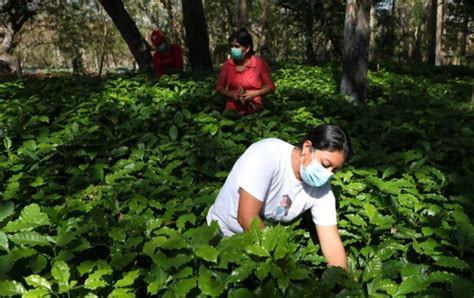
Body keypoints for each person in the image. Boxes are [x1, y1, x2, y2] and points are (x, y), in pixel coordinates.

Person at [206, 124, 352, 270]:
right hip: (220, 238)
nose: (328, 173)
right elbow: (247, 217)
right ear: (307, 148)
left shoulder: (322, 190)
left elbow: (331, 243)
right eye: (325, 164)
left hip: (261, 249)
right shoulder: (268, 154)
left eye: (335, 170)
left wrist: (344, 285)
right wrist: (279, 265)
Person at [216, 28, 275, 116]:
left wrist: (254, 94)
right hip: (232, 112)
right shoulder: (228, 64)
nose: (233, 49)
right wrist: (232, 95)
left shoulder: (259, 64)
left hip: (255, 109)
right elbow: (219, 88)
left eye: (236, 46)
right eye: (231, 46)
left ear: (247, 48)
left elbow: (271, 87)